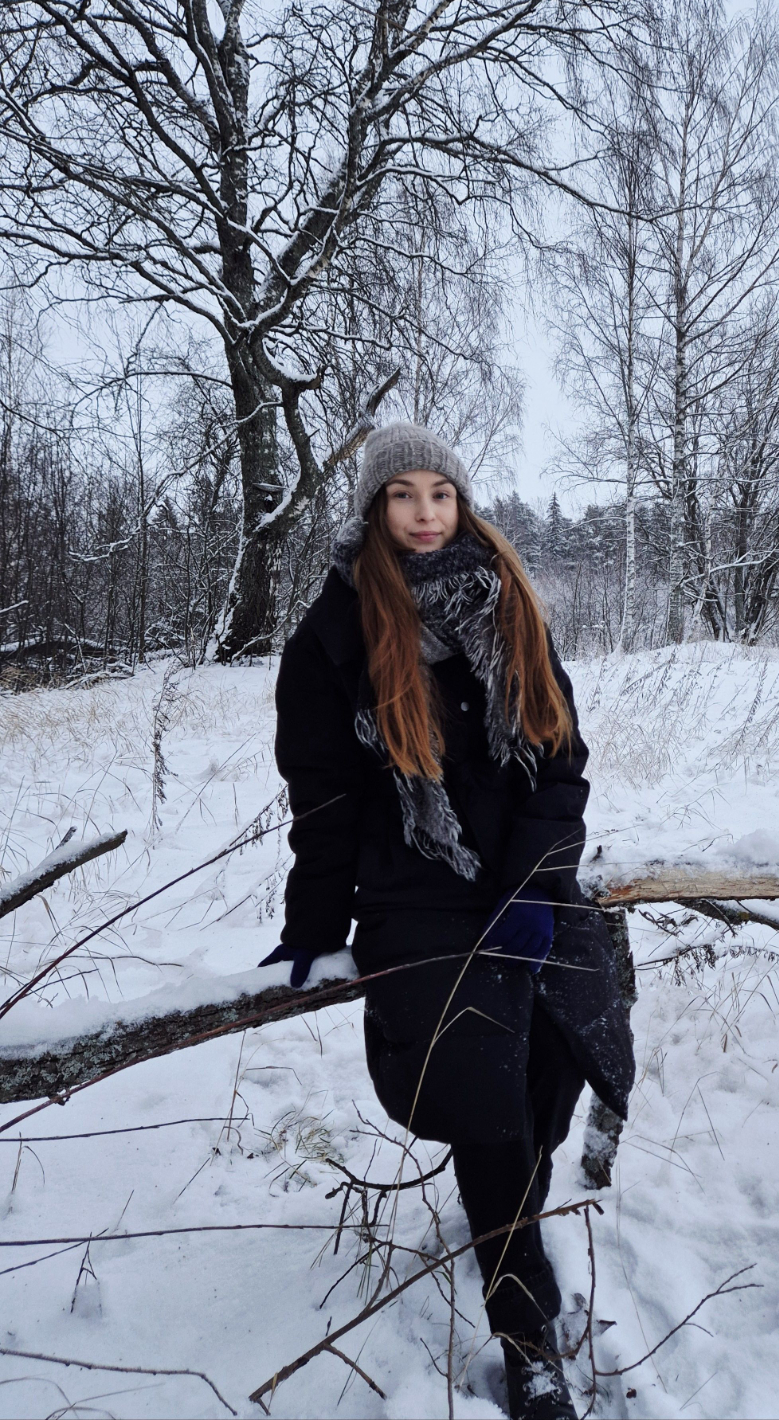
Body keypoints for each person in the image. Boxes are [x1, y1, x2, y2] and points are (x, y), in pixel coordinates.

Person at [259, 422, 634, 1420]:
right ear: (374, 508)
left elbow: (560, 761)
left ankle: (509, 1218)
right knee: (484, 1099)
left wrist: (535, 887)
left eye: (440, 493)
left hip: (522, 877)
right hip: (413, 891)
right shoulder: (333, 634)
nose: (424, 514)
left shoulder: (509, 605)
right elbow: (325, 802)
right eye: (402, 495)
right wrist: (312, 922)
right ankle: (529, 1341)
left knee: (560, 1054)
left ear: (461, 503)